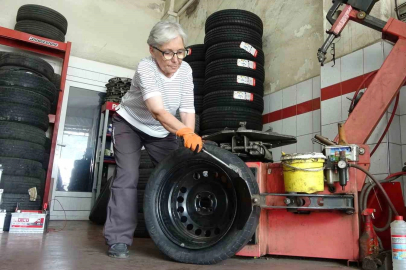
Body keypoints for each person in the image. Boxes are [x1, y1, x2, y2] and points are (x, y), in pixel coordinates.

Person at [103, 21, 202, 258]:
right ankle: (118, 239)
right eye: (168, 52)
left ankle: (181, 234)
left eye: (180, 51)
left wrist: (190, 136)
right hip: (130, 124)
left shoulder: (185, 70)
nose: (175, 59)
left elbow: (187, 109)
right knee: (128, 176)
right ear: (152, 50)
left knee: (178, 175)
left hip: (162, 132)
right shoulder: (146, 68)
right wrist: (185, 133)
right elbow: (158, 111)